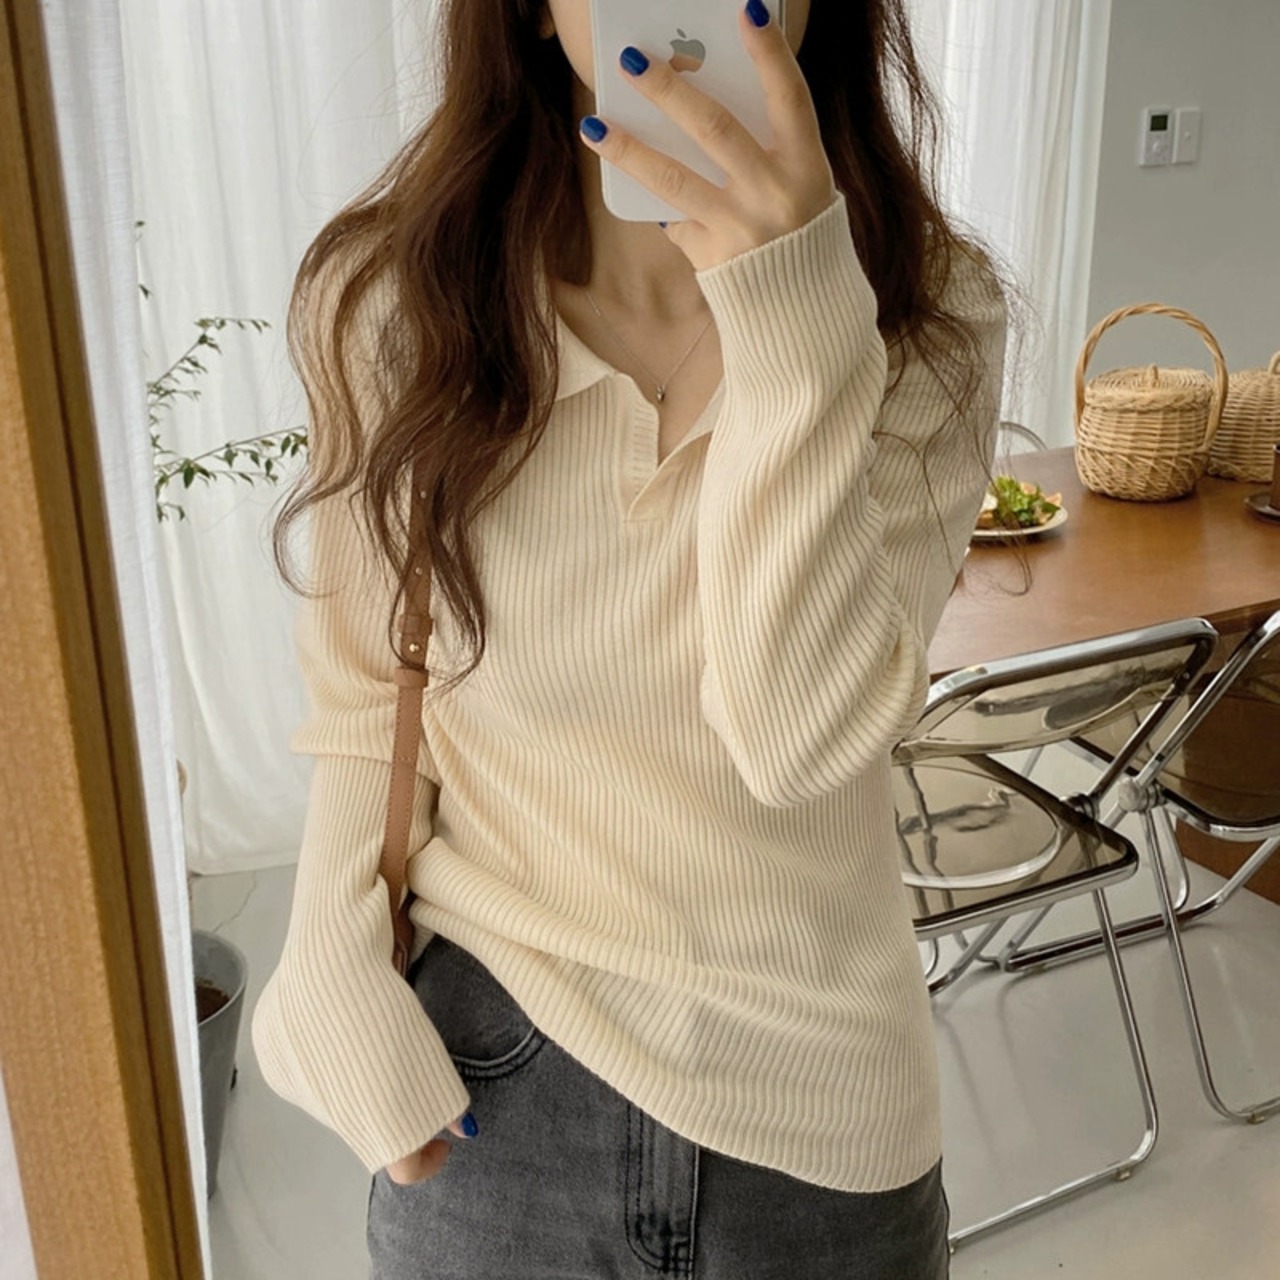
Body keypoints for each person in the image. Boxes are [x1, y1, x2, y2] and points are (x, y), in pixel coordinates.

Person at [252, 1, 1006, 1276]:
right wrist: (326, 944)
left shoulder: (925, 313)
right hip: (494, 1069)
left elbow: (795, 739)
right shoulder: (395, 301)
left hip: (818, 1107)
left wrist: (797, 326)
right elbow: (371, 684)